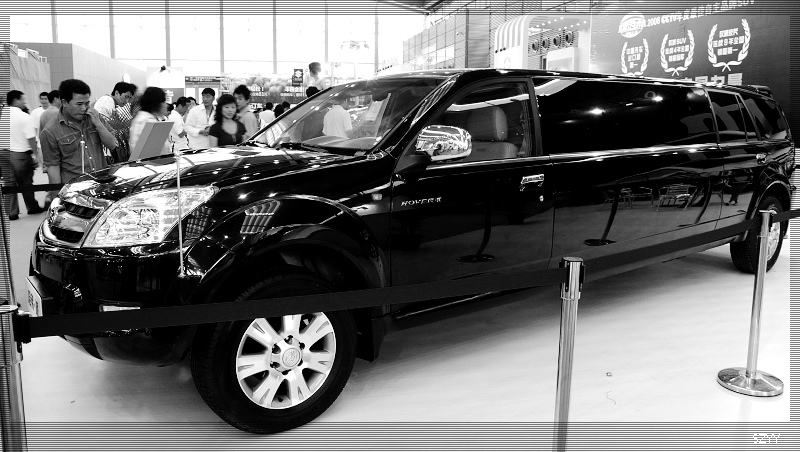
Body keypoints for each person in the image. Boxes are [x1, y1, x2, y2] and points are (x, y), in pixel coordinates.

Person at [40, 79, 118, 188]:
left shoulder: (94, 118)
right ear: (64, 103)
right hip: (74, 190)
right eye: (79, 104)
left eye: (87, 103)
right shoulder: (51, 131)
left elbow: (112, 145)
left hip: (101, 185)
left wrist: (98, 124)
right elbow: (53, 169)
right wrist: (57, 195)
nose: (84, 108)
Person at [6, 90, 44, 220]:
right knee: (26, 182)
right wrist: (36, 155)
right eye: (23, 100)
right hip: (20, 154)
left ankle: (12, 212)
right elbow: (31, 138)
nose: (24, 102)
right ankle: (32, 207)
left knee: (9, 184)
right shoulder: (23, 116)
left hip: (3, 154)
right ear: (16, 100)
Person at [129, 87, 169, 154]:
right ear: (157, 103)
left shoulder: (143, 118)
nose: (166, 105)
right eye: (164, 102)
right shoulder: (148, 122)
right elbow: (153, 152)